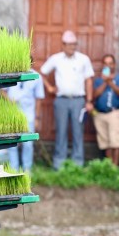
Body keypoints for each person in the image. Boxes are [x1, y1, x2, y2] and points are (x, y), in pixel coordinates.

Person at [39, 30, 95, 169]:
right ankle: (59, 164)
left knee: (78, 131)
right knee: (61, 131)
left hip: (78, 101)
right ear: (63, 45)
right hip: (61, 101)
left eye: (74, 44)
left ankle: (77, 164)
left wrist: (89, 100)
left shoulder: (84, 59)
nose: (72, 47)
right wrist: (50, 88)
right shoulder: (56, 59)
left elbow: (89, 80)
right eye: (69, 45)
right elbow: (41, 73)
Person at [91, 54, 119, 166]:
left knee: (115, 141)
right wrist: (105, 82)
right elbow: (95, 95)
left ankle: (115, 167)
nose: (108, 66)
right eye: (105, 63)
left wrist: (110, 83)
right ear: (103, 65)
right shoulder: (98, 80)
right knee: (105, 142)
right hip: (100, 114)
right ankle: (109, 166)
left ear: (114, 65)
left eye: (110, 63)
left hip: (114, 113)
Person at [3, 71, 45, 172]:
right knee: (11, 142)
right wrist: (8, 100)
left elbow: (39, 98)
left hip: (28, 115)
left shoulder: (36, 76)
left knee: (28, 144)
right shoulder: (10, 73)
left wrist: (37, 118)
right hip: (12, 114)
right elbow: (3, 90)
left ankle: (27, 170)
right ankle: (14, 169)